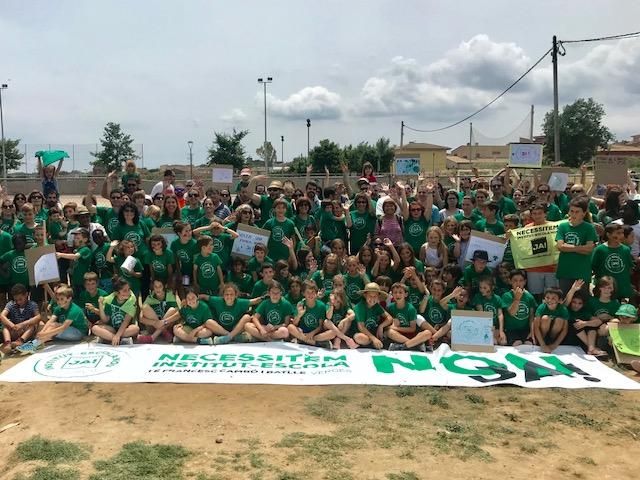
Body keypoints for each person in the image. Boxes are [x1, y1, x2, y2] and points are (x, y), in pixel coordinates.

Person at [17, 285, 89, 353]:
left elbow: (63, 328)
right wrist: (42, 332)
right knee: (52, 325)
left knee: (53, 328)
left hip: (79, 333)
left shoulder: (74, 310)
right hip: (67, 330)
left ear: (69, 299)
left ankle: (35, 344)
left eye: (62, 299)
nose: (59, 301)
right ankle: (37, 343)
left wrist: (45, 333)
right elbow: (50, 321)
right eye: (58, 299)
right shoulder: (58, 308)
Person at [555, 197, 597, 295]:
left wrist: (568, 247)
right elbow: (560, 246)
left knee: (580, 302)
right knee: (564, 300)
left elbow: (589, 249)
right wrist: (581, 247)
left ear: (584, 212)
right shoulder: (563, 226)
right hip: (565, 272)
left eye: (577, 212)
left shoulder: (589, 228)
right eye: (572, 211)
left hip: (581, 273)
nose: (573, 214)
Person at [591, 223, 633, 300]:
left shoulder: (626, 249)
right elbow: (594, 267)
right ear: (608, 235)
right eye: (618, 233)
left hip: (622, 289)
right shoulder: (600, 250)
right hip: (605, 290)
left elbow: (629, 268)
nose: (621, 236)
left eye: (622, 233)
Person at [387, 282, 432, 351]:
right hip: (399, 335)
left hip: (412, 335)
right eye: (395, 292)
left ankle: (402, 346)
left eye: (400, 292)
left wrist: (396, 328)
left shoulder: (411, 308)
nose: (397, 294)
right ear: (392, 294)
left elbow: (412, 329)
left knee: (428, 333)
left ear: (406, 294)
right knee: (389, 332)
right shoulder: (390, 307)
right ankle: (414, 345)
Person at [287, 280, 332, 347]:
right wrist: (299, 315)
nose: (310, 295)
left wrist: (312, 333)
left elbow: (320, 326)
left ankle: (302, 340)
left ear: (316, 293)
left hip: (315, 333)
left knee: (332, 333)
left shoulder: (321, 306)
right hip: (302, 331)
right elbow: (295, 323)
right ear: (303, 293)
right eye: (308, 292)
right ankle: (315, 343)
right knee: (290, 327)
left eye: (312, 292)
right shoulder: (301, 304)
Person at [137, 279, 181, 344]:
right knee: (145, 307)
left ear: (164, 287)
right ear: (153, 287)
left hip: (167, 325)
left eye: (160, 286)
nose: (158, 289)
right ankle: (163, 331)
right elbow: (141, 319)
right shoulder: (150, 297)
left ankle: (152, 337)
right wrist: (155, 323)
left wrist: (163, 322)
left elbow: (178, 314)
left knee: (173, 310)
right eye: (155, 286)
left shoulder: (169, 295)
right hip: (154, 327)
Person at [501, 269, 537, 346]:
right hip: (511, 330)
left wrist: (532, 331)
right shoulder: (506, 296)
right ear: (510, 281)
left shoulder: (529, 297)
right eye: (515, 280)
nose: (518, 283)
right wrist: (517, 298)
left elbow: (531, 316)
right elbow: (512, 313)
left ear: (525, 282)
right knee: (518, 344)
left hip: (525, 330)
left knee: (529, 344)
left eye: (521, 280)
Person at [0, 284, 40, 353]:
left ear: (26, 294)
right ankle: (8, 343)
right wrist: (12, 325)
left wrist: (22, 324)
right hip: (14, 330)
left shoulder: (32, 304)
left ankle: (21, 341)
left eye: (20, 299)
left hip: (25, 331)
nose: (18, 302)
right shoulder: (11, 304)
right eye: (16, 300)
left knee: (33, 325)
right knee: (5, 326)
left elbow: (38, 317)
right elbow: (2, 315)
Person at [353, 282, 393, 349]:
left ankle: (377, 343)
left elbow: (389, 318)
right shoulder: (359, 307)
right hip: (362, 333)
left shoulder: (377, 306)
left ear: (378, 297)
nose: (372, 299)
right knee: (359, 337)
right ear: (365, 295)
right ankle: (376, 343)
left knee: (389, 332)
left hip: (374, 332)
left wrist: (381, 326)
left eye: (375, 296)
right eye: (370, 296)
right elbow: (361, 327)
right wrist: (374, 339)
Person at [533, 287, 569, 353]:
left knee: (559, 320)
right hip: (543, 331)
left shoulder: (563, 309)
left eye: (553, 298)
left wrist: (555, 344)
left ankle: (551, 341)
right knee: (545, 318)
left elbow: (565, 329)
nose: (550, 300)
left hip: (554, 332)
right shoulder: (541, 307)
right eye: (547, 297)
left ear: (559, 300)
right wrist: (542, 345)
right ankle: (543, 340)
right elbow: (536, 327)